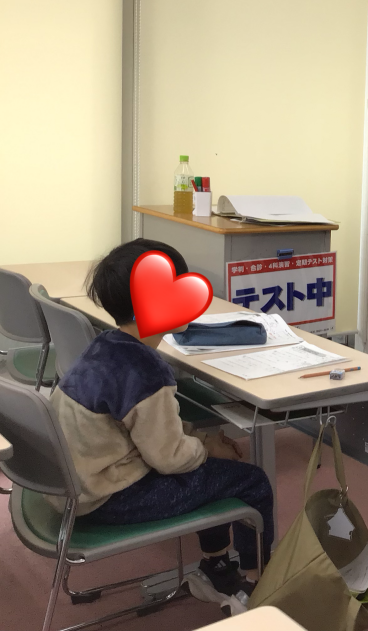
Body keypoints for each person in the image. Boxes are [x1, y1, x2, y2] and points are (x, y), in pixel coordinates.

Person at [50, 238, 273, 614]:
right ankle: (257, 583)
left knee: (212, 472)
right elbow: (170, 459)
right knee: (252, 482)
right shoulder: (147, 372)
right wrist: (206, 449)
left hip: (74, 486)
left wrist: (201, 440)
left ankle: (217, 566)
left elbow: (150, 426)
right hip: (107, 498)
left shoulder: (105, 346)